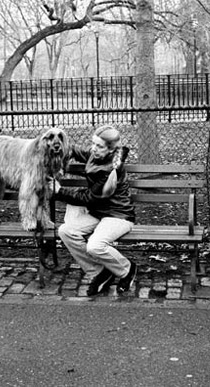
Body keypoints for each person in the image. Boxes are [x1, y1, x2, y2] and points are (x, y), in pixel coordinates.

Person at [50, 125, 137, 296]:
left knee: (95, 246)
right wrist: (56, 144)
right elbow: (74, 150)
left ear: (111, 150)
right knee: (66, 231)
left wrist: (59, 191)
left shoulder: (110, 169)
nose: (93, 148)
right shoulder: (95, 154)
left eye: (99, 146)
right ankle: (99, 272)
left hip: (118, 215)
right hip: (98, 213)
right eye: (93, 143)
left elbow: (88, 198)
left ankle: (127, 269)